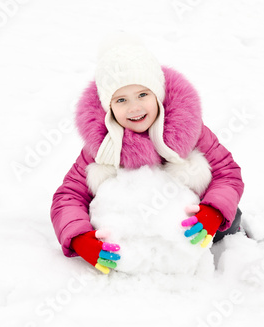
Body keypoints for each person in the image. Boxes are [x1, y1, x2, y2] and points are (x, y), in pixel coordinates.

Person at [50, 34, 244, 274]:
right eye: (121, 100)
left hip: (194, 231)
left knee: (231, 214)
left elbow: (227, 173)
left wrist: (214, 211)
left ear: (158, 94)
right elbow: (69, 195)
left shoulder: (192, 131)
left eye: (143, 95)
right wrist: (78, 237)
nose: (134, 107)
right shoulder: (101, 147)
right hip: (133, 242)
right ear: (108, 107)